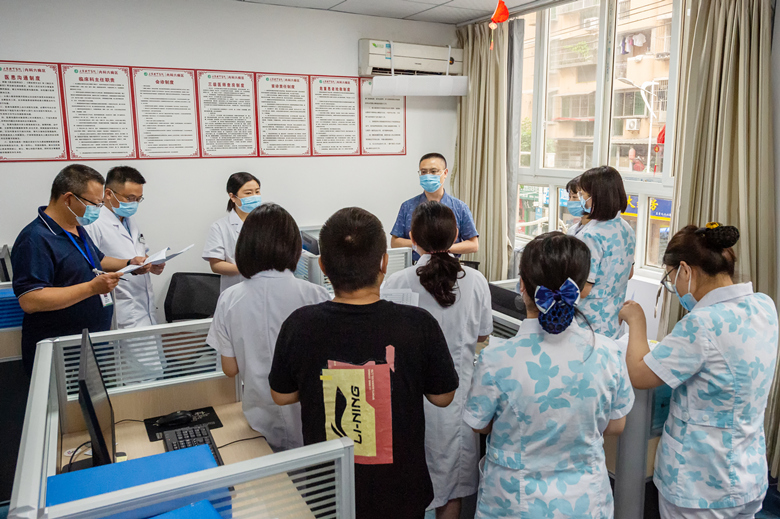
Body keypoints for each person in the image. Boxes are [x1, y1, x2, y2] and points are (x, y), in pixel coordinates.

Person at [269, 207, 460, 519]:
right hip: (400, 494)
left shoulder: (299, 325)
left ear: (322, 265)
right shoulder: (417, 323)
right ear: (384, 262)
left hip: (330, 492)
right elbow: (443, 397)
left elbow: (281, 395)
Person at [464, 232, 634, 519]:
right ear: (582, 289)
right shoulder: (608, 353)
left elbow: (480, 424)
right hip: (585, 502)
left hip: (513, 502)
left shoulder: (497, 359)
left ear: (522, 285)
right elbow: (616, 425)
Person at [619, 223, 777, 519]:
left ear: (685, 270)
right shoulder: (764, 306)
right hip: (748, 476)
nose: (674, 287)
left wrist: (637, 320)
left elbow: (639, 374)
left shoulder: (702, 324)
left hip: (700, 487)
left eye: (670, 279)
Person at [384, 201, 493, 519]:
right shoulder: (475, 281)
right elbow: (483, 335)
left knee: (409, 483)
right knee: (452, 488)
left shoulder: (397, 282)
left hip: (408, 400)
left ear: (412, 238)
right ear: (456, 234)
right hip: (456, 400)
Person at [206, 203, 330, 452]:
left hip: (259, 421)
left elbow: (230, 369)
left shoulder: (229, 298)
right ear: (294, 247)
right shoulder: (316, 294)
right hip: (311, 419)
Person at [11, 164, 145, 376]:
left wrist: (131, 263)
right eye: (94, 203)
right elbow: (31, 300)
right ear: (68, 199)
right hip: (60, 351)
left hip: (89, 342)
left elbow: (99, 260)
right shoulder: (35, 239)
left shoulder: (76, 228)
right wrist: (92, 289)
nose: (98, 209)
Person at [86, 166, 166, 381]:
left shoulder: (129, 220)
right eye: (130, 198)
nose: (134, 204)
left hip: (143, 306)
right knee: (133, 378)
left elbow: (137, 253)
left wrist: (151, 264)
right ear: (109, 193)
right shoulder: (94, 223)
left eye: (138, 199)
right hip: (122, 307)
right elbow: (92, 262)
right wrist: (129, 264)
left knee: (152, 372)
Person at [575, 166, 636, 338]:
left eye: (583, 194)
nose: (582, 199)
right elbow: (630, 273)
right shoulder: (626, 229)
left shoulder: (590, 236)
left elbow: (583, 290)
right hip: (614, 321)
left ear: (597, 197)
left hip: (589, 324)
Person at [391, 153, 479, 262]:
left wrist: (444, 248)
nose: (428, 175)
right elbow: (394, 242)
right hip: (416, 266)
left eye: (433, 171)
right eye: (423, 172)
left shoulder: (460, 207)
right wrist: (420, 245)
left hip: (449, 266)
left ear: (445, 173)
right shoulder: (407, 206)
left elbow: (473, 245)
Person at [202, 172, 262, 292]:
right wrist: (248, 269)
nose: (254, 196)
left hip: (267, 289)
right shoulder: (220, 227)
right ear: (233, 197)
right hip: (236, 291)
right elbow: (216, 265)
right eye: (248, 193)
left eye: (257, 191)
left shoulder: (269, 222)